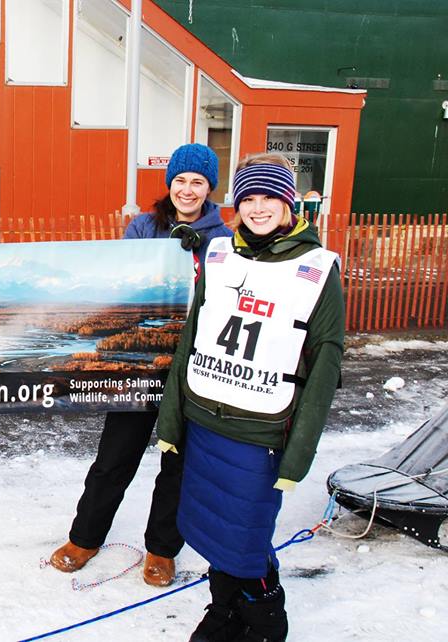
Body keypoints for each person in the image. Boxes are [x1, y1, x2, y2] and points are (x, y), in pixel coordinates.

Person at [155, 153, 344, 641]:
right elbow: (191, 340)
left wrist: (298, 456)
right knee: (212, 531)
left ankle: (264, 621)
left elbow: (325, 365)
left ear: (288, 203)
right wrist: (172, 425)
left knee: (247, 538)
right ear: (237, 204)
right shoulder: (221, 256)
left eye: (270, 197)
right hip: (205, 422)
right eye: (249, 198)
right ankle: (224, 610)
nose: (259, 208)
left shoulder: (318, 268)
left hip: (260, 432)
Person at [49, 143, 232, 587]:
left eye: (198, 182)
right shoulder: (144, 227)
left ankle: (162, 550)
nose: (187, 190)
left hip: (193, 370)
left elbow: (228, 299)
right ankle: (85, 538)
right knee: (115, 456)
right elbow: (124, 286)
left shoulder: (224, 239)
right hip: (141, 368)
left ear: (209, 188)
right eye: (181, 181)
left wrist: (197, 263)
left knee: (178, 463)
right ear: (169, 183)